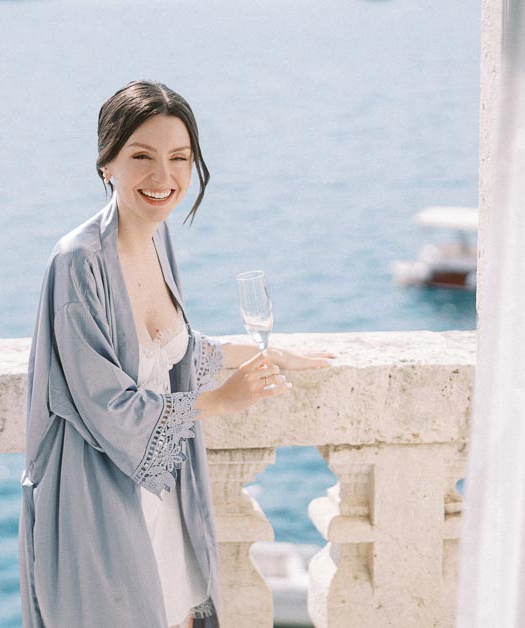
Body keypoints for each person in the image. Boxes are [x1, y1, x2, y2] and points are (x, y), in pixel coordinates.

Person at [18, 79, 334, 628]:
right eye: (142, 156)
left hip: (169, 494)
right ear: (106, 164)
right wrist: (220, 402)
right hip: (102, 501)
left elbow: (165, 355)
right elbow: (104, 402)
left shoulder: (158, 238)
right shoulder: (77, 261)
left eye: (179, 158)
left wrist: (257, 353)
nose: (163, 177)